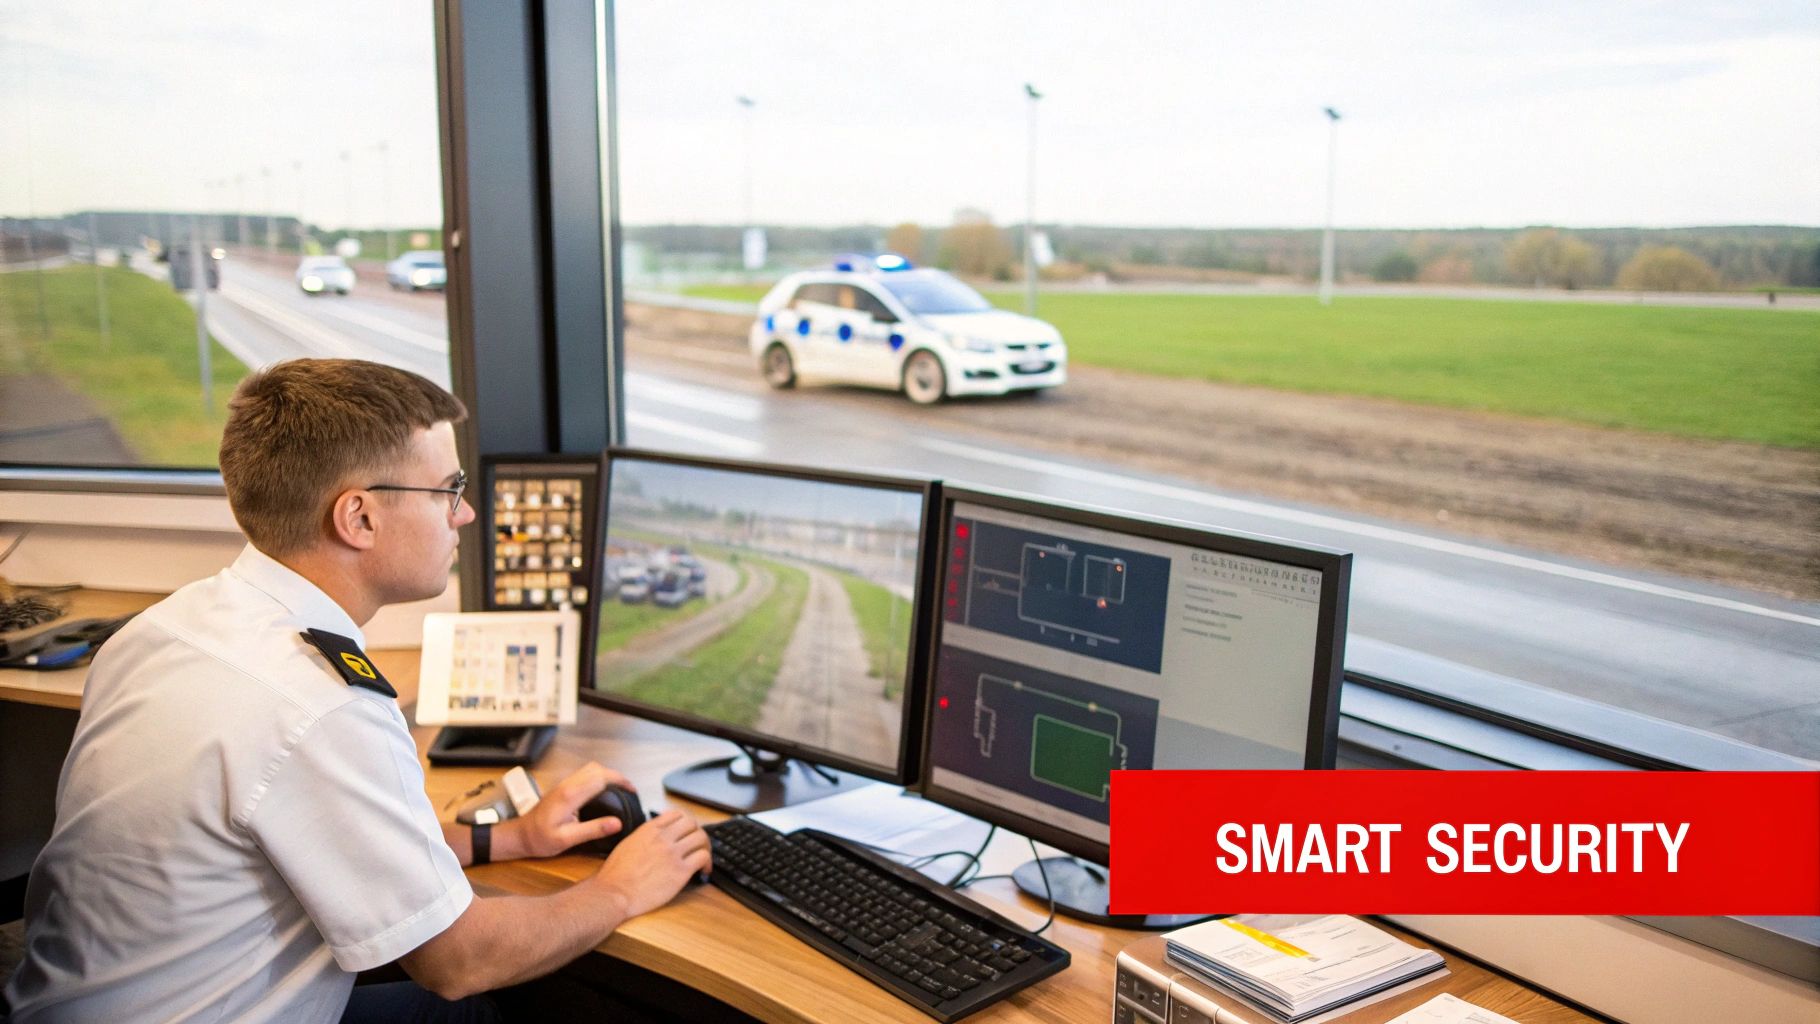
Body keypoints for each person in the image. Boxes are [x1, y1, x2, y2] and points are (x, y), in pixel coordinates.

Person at [3, 359, 712, 1023]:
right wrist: (621, 888)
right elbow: (459, 960)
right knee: (499, 1004)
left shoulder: (167, 628)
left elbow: (314, 836)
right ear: (359, 517)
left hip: (74, 1003)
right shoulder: (319, 705)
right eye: (449, 492)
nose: (464, 516)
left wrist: (509, 837)